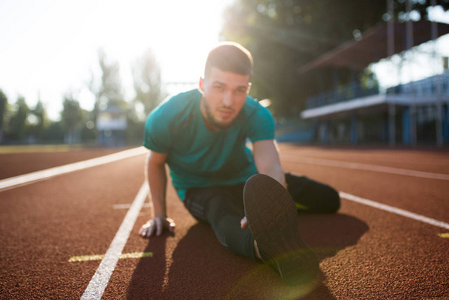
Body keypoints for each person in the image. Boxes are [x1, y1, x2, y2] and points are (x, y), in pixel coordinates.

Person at [138, 42, 340, 286]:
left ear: (248, 88)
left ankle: (271, 226)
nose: (228, 101)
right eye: (219, 87)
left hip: (246, 179)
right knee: (221, 211)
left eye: (239, 90)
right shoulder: (166, 117)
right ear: (202, 84)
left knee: (329, 199)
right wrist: (159, 214)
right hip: (199, 188)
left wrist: (271, 208)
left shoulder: (256, 114)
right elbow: (155, 163)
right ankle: (264, 250)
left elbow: (270, 165)